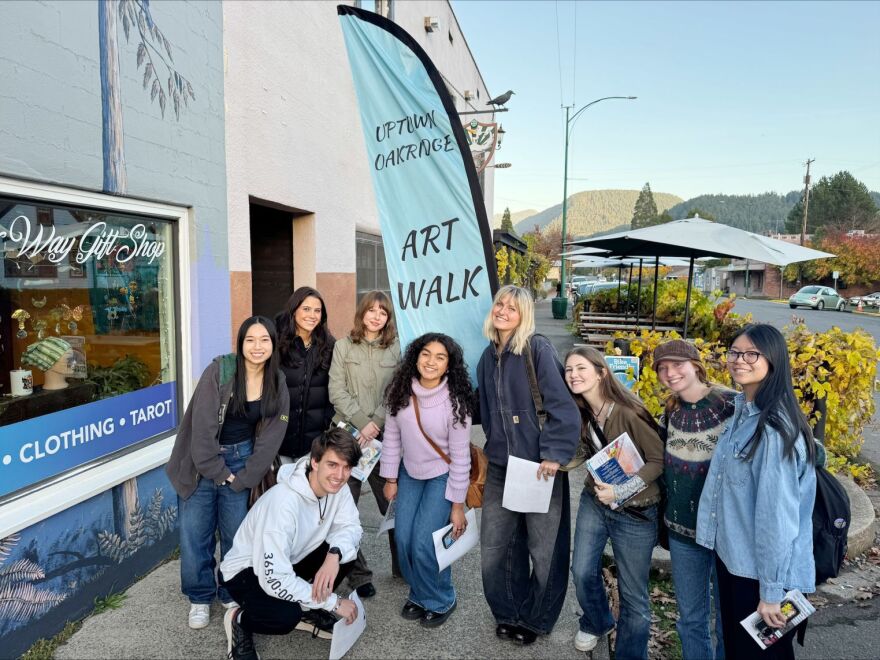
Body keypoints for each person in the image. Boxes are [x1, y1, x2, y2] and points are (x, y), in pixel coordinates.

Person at [696, 324, 817, 660]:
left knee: (760, 656)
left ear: (773, 361)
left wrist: (772, 592)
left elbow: (775, 520)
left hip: (760, 574)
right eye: (734, 352)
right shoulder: (742, 410)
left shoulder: (773, 429)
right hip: (736, 560)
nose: (739, 360)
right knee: (740, 651)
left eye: (752, 354)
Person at [166, 316, 289, 630]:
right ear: (241, 343)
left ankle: (228, 590)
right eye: (250, 339)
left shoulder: (277, 380)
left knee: (237, 534)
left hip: (243, 458)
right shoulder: (219, 371)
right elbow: (201, 430)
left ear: (273, 344)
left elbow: (273, 435)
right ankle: (198, 596)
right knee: (195, 535)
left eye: (264, 340)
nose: (257, 347)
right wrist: (221, 474)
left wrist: (245, 477)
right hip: (201, 462)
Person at [477, 285, 581, 646]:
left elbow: (564, 409)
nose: (503, 310)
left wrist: (553, 454)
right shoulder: (486, 358)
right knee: (496, 546)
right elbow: (488, 413)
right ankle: (507, 612)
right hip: (503, 467)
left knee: (544, 547)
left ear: (524, 315)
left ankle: (537, 619)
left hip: (540, 467)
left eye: (513, 307)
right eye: (500, 304)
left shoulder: (537, 349)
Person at [218, 429, 363, 660]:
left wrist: (333, 555)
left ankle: (310, 607)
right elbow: (275, 579)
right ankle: (239, 619)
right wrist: (333, 602)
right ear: (315, 462)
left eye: (347, 467)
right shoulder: (283, 502)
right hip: (246, 572)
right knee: (285, 616)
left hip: (289, 558)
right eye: (333, 465)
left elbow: (351, 527)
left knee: (347, 553)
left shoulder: (338, 487)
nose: (340, 475)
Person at [564, 345, 664, 659]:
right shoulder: (580, 410)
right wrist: (557, 463)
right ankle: (597, 620)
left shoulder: (628, 411)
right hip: (596, 502)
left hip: (636, 513)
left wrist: (621, 492)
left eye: (581, 368)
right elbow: (588, 452)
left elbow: (658, 460)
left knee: (634, 597)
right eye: (568, 370)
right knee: (581, 571)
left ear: (601, 372)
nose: (573, 375)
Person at [380, 333, 473, 628]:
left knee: (425, 542)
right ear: (415, 357)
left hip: (441, 477)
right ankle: (420, 593)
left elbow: (461, 458)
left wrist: (457, 504)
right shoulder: (400, 390)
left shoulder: (456, 402)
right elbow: (392, 437)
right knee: (404, 539)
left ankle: (441, 598)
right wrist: (390, 477)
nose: (431, 361)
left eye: (440, 357)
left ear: (449, 365)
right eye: (426, 354)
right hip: (409, 473)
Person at [654, 339, 735, 660]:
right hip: (683, 533)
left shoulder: (732, 403)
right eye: (663, 368)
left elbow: (782, 435)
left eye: (677, 365)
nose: (670, 373)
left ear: (696, 366)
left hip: (725, 533)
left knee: (728, 620)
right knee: (691, 620)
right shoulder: (670, 410)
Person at [328, 290, 402, 597]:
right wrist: (363, 422)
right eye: (371, 311)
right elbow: (336, 390)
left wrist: (377, 424)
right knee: (344, 509)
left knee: (394, 503)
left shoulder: (396, 349)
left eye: (382, 312)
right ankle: (358, 575)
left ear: (388, 318)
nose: (376, 316)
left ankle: (404, 566)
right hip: (348, 435)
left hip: (384, 438)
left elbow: (397, 391)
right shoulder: (344, 346)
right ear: (362, 314)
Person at [275, 286, 336, 462]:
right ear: (294, 310)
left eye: (317, 310)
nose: (312, 315)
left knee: (310, 488)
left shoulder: (329, 346)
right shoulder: (277, 343)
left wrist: (326, 426)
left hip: (314, 443)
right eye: (306, 309)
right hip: (280, 440)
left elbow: (334, 389)